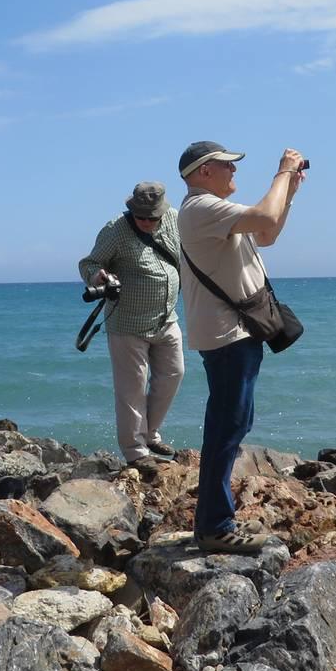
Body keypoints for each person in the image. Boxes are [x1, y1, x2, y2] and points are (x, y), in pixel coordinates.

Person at [176, 141, 306, 553]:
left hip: (237, 334)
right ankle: (214, 527)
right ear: (204, 172)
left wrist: (289, 192)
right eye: (227, 166)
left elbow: (266, 233)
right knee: (226, 428)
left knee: (232, 424)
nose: (234, 172)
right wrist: (282, 173)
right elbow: (264, 216)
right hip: (227, 336)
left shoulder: (214, 211)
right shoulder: (201, 208)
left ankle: (216, 521)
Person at [78, 181, 185, 471]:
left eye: (152, 218)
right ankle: (135, 451)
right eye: (141, 217)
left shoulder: (174, 219)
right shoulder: (115, 229)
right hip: (127, 323)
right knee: (132, 389)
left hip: (167, 317)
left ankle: (150, 433)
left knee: (174, 374)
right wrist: (99, 277)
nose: (146, 222)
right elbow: (89, 264)